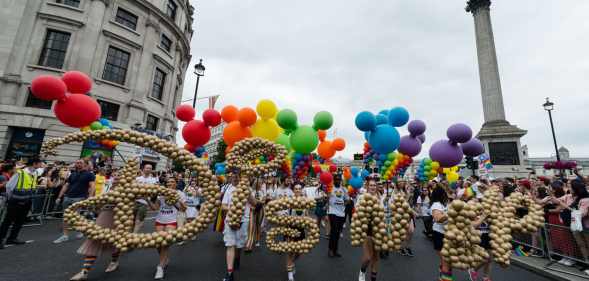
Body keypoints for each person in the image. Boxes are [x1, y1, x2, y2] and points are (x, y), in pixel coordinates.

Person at [0, 158, 44, 249]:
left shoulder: (35, 173)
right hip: (15, 201)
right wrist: (10, 198)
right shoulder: (20, 172)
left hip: (27, 201)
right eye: (40, 163)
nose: (41, 165)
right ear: (35, 164)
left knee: (19, 221)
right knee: (8, 221)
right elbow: (9, 186)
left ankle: (12, 238)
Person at [222, 174, 259, 281]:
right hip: (230, 220)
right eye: (233, 176)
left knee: (239, 245)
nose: (236, 178)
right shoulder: (229, 189)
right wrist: (231, 210)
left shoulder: (247, 189)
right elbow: (223, 205)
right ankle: (230, 273)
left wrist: (248, 193)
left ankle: (237, 258)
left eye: (238, 176)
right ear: (230, 178)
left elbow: (255, 203)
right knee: (230, 245)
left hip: (244, 221)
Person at [149, 177, 187, 279]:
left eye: (172, 182)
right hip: (160, 220)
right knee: (158, 244)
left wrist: (176, 199)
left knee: (165, 242)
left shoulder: (180, 193)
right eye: (168, 182)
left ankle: (160, 267)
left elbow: (183, 209)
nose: (170, 183)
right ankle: (165, 258)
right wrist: (147, 200)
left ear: (176, 184)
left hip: (172, 221)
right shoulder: (162, 193)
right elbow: (155, 208)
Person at [54, 160, 95, 244]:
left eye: (80, 162)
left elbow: (92, 187)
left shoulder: (89, 174)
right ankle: (65, 235)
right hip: (68, 197)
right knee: (66, 216)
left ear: (85, 165)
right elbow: (66, 185)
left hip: (79, 198)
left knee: (74, 216)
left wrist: (90, 198)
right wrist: (59, 197)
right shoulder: (73, 174)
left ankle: (80, 230)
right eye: (77, 162)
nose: (78, 164)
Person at [358, 178, 381, 281]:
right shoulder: (362, 197)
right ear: (367, 187)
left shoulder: (381, 197)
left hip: (378, 229)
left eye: (374, 185)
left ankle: (373, 279)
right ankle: (362, 271)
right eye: (371, 185)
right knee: (368, 257)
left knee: (376, 257)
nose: (373, 187)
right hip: (366, 228)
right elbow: (358, 211)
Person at [286, 183, 310, 281]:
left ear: (301, 190)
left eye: (299, 189)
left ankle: (292, 263)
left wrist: (308, 227)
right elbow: (285, 215)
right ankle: (290, 271)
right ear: (293, 190)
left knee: (299, 251)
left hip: (301, 229)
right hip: (291, 228)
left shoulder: (305, 202)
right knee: (290, 251)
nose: (298, 190)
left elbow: (307, 215)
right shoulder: (289, 201)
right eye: (296, 189)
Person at [430, 184, 452, 281]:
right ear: (441, 194)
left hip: (448, 234)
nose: (448, 193)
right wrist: (450, 212)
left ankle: (442, 278)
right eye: (446, 192)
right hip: (439, 234)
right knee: (446, 261)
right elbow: (438, 219)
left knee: (447, 262)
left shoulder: (445, 204)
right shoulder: (436, 205)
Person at [327, 174, 349, 258]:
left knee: (338, 232)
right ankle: (330, 250)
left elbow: (347, 200)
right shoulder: (330, 188)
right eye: (336, 179)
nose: (337, 181)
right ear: (333, 180)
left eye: (339, 179)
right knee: (334, 230)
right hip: (332, 212)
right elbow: (326, 198)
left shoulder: (344, 189)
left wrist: (344, 203)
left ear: (340, 180)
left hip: (341, 213)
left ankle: (335, 250)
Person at [134, 164, 159, 233]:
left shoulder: (153, 180)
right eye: (147, 168)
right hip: (134, 201)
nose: (148, 169)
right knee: (132, 220)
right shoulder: (137, 179)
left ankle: (134, 234)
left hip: (144, 202)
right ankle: (131, 233)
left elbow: (154, 192)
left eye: (150, 168)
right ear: (143, 169)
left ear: (151, 170)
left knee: (139, 220)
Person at [245, 178, 266, 251]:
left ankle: (257, 240)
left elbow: (263, 201)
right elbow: (250, 200)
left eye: (260, 183)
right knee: (251, 226)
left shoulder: (263, 191)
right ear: (254, 183)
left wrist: (257, 201)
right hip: (252, 210)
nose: (259, 184)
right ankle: (249, 244)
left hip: (260, 209)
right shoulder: (251, 190)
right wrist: (257, 201)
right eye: (258, 183)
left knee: (258, 225)